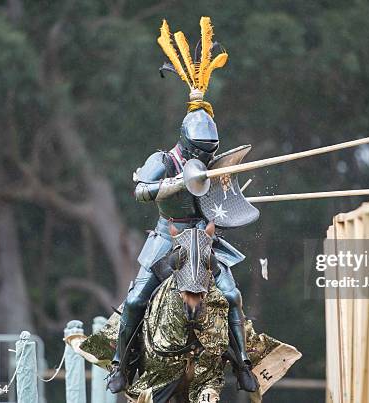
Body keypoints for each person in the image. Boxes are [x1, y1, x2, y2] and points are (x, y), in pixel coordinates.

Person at [106, 17, 258, 394]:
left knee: (232, 295)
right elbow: (140, 190)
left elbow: (222, 199)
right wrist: (173, 183)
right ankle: (120, 366)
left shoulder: (211, 163)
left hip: (205, 242)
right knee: (137, 297)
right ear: (186, 143)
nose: (206, 159)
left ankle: (242, 365)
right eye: (200, 152)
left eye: (211, 153)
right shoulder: (165, 159)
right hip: (167, 239)